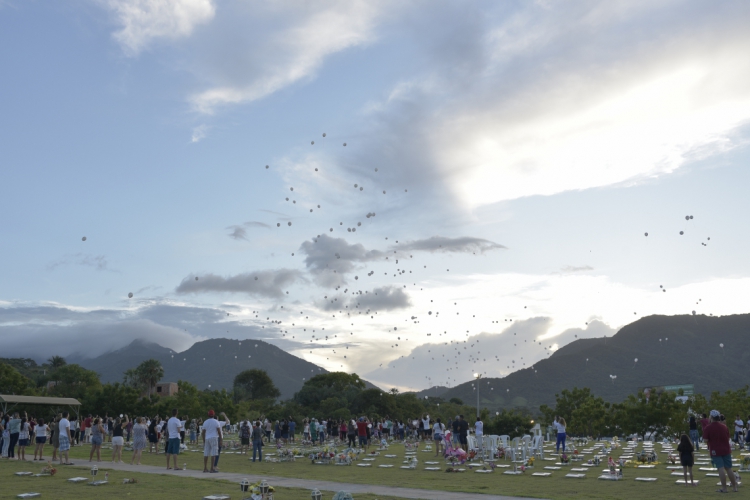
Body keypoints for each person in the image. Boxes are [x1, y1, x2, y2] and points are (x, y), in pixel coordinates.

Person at [704, 409, 738, 493]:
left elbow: (705, 439)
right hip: (726, 449)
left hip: (715, 450)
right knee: (729, 468)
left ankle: (724, 488)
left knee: (720, 468)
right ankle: (734, 487)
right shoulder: (724, 427)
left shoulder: (708, 427)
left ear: (711, 417)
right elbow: (728, 437)